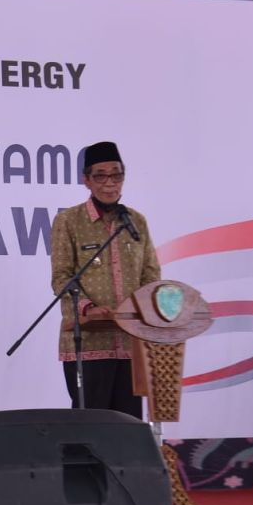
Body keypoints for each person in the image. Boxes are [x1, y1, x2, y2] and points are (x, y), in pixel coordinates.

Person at [49, 141, 161, 416]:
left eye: (116, 175)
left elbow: (151, 273)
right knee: (92, 427)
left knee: (128, 427)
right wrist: (88, 308)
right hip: (89, 342)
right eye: (100, 176)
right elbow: (62, 277)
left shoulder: (136, 221)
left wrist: (144, 308)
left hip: (131, 342)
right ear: (86, 180)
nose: (110, 183)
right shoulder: (69, 221)